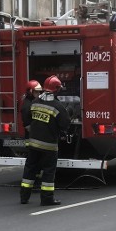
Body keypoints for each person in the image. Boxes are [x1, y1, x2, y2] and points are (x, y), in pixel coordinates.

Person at [20, 76, 71, 206]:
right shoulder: (57, 106)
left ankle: (24, 197)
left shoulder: (35, 102)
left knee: (30, 169)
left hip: (33, 143)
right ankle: (47, 198)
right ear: (57, 89)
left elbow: (31, 118)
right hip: (49, 146)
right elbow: (65, 124)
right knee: (48, 172)